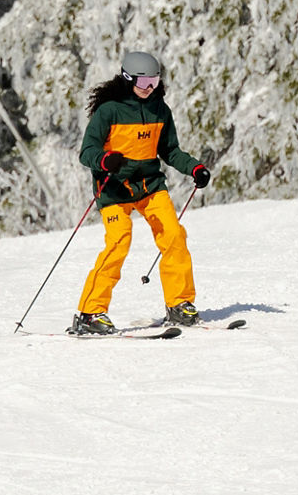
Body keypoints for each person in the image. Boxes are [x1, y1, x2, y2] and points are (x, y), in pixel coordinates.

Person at [65, 51, 214, 335]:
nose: (150, 88)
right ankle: (90, 312)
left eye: (155, 81)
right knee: (119, 241)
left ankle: (179, 304)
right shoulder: (109, 110)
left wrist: (195, 168)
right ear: (127, 79)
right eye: (144, 82)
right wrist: (105, 160)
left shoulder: (160, 109)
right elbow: (87, 152)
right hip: (114, 189)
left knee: (174, 235)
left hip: (150, 186)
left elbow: (170, 151)